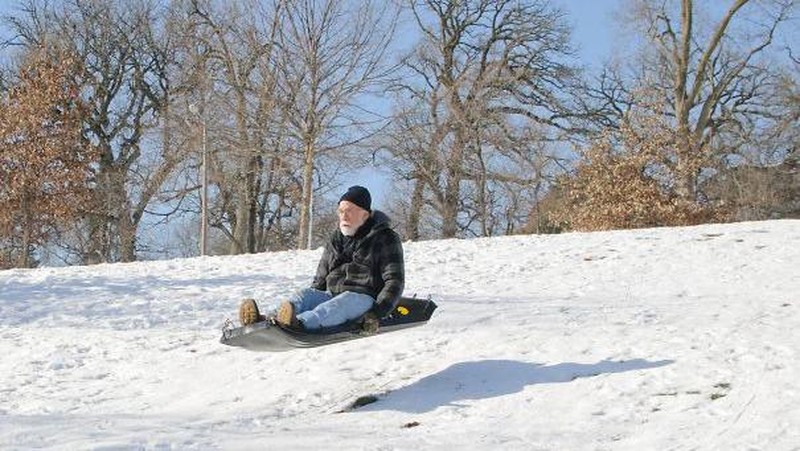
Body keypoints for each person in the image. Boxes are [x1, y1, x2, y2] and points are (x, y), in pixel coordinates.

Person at [238, 185, 405, 332]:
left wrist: (376, 314)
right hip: (332, 294)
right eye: (341, 211)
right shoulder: (337, 238)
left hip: (363, 298)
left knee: (338, 304)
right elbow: (321, 276)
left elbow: (394, 281)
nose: (344, 217)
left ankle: (300, 324)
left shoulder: (385, 238)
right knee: (305, 295)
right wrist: (312, 295)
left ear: (365, 215)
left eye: (349, 211)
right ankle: (267, 320)